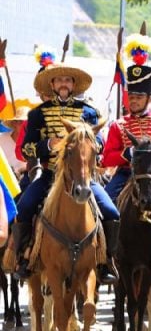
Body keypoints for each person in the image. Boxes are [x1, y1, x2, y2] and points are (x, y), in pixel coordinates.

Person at [14, 62, 119, 283]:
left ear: (73, 85)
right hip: (51, 174)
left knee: (111, 211)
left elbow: (99, 144)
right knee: (23, 206)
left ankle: (106, 261)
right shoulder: (38, 114)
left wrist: (89, 145)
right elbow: (26, 149)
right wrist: (48, 145)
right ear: (52, 84)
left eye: (68, 80)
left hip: (82, 176)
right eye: (59, 80)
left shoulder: (89, 113)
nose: (63, 83)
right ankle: (23, 259)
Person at [102, 35, 151, 205]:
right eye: (131, 97)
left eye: (139, 97)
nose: (134, 100)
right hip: (125, 174)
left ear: (149, 99)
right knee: (105, 205)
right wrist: (127, 153)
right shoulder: (118, 125)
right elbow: (107, 158)